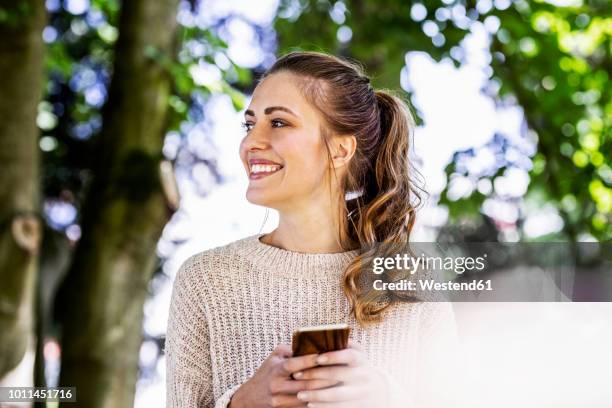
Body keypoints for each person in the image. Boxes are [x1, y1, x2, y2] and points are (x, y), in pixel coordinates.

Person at [165, 51, 460, 408]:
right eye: (249, 124)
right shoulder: (206, 279)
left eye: (277, 123)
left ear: (340, 149)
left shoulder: (411, 285)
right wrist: (242, 403)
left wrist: (385, 398)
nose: (249, 143)